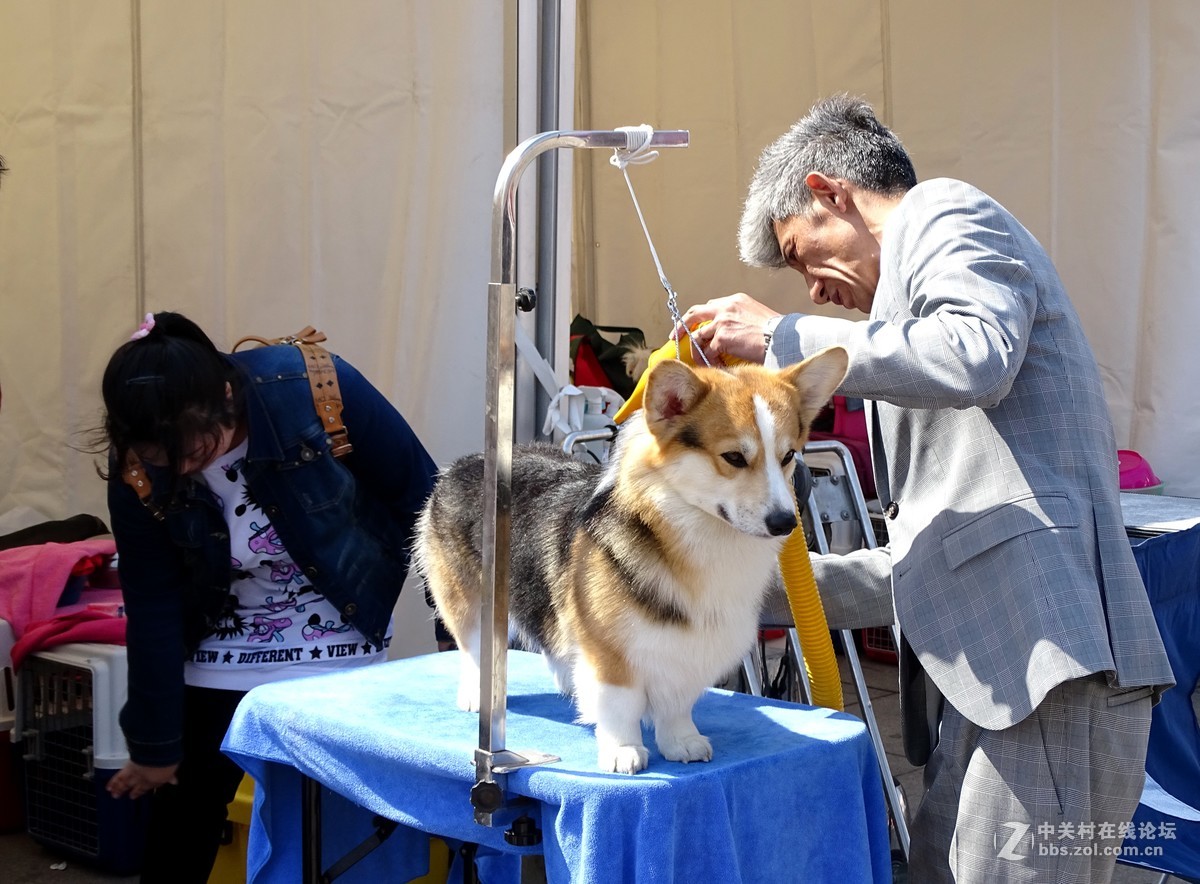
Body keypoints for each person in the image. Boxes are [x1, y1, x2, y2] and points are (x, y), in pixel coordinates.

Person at [679, 95, 1174, 883]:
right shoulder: (903, 324)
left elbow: (976, 354)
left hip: (1046, 674)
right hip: (996, 687)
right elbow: (922, 565)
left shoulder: (946, 212)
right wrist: (721, 586)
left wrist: (779, 338)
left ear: (831, 193)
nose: (813, 292)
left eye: (801, 256)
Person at [97, 311, 437, 883]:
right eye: (162, 457)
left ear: (226, 398)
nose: (179, 468)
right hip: (217, 637)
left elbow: (424, 497)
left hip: (338, 622)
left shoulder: (314, 387)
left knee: (335, 825)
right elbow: (152, 600)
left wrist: (455, 631)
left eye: (194, 451)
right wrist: (155, 744)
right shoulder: (137, 462)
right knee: (183, 814)